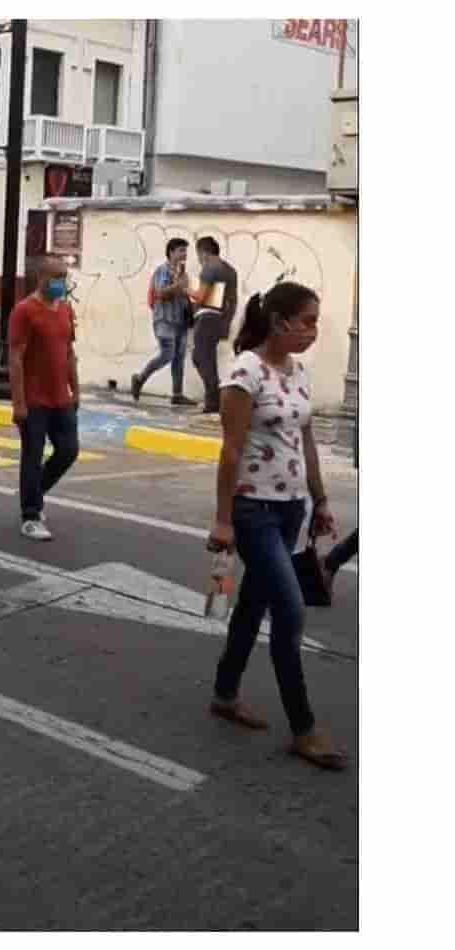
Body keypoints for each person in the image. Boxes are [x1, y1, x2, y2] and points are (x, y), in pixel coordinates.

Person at [208, 281, 347, 771]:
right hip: (253, 511)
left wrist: (321, 498)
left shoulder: (299, 373)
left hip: (291, 508)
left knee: (253, 602)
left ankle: (225, 692)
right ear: (281, 322)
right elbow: (229, 451)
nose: (314, 329)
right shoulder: (246, 371)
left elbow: (305, 442)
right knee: (290, 612)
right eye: (307, 320)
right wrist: (223, 519)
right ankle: (304, 728)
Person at [9, 257, 80, 542]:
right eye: (57, 276)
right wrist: (18, 403)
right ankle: (30, 515)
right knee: (32, 455)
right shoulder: (24, 311)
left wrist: (76, 389)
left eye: (64, 276)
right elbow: (15, 358)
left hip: (61, 397)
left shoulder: (65, 308)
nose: (62, 282)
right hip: (34, 399)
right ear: (41, 277)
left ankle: (34, 491)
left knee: (68, 450)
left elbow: (69, 352)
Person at [132, 238, 197, 407]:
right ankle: (140, 378)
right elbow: (160, 293)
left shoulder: (182, 273)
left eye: (185, 250)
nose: (184, 254)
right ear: (171, 252)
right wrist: (178, 285)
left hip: (180, 320)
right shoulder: (163, 270)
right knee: (167, 354)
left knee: (179, 357)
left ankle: (177, 394)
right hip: (165, 320)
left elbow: (183, 293)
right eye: (181, 250)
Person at [190, 236, 238, 414]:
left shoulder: (209, 268)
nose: (199, 259)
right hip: (220, 318)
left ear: (203, 252)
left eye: (199, 255)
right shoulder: (230, 271)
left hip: (206, 318)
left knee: (202, 358)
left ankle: (214, 400)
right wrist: (227, 322)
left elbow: (201, 297)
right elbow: (233, 300)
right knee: (203, 358)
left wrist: (185, 288)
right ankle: (214, 396)